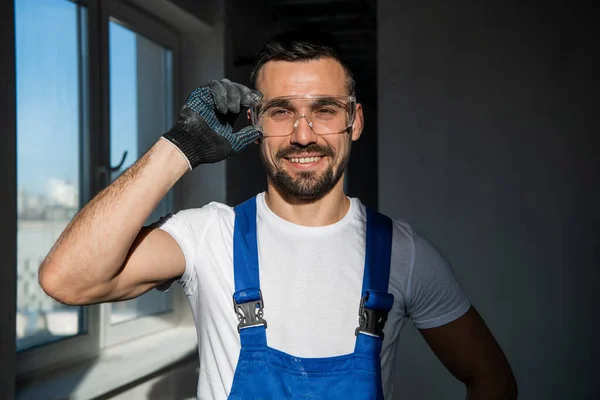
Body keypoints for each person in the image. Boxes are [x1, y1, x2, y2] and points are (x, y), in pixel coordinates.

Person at [39, 30, 517, 399]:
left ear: (355, 121)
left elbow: (491, 378)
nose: (303, 135)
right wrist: (178, 149)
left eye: (325, 110)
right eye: (281, 111)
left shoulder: (404, 254)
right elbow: (68, 280)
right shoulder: (208, 235)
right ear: (253, 123)